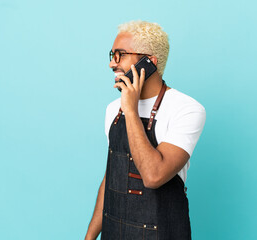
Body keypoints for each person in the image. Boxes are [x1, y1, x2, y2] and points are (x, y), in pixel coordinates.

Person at [85, 20, 206, 240]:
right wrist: (89, 237)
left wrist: (130, 110)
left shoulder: (187, 109)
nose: (112, 64)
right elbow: (112, 177)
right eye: (112, 55)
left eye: (120, 55)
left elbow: (153, 176)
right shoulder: (113, 109)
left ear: (148, 62)